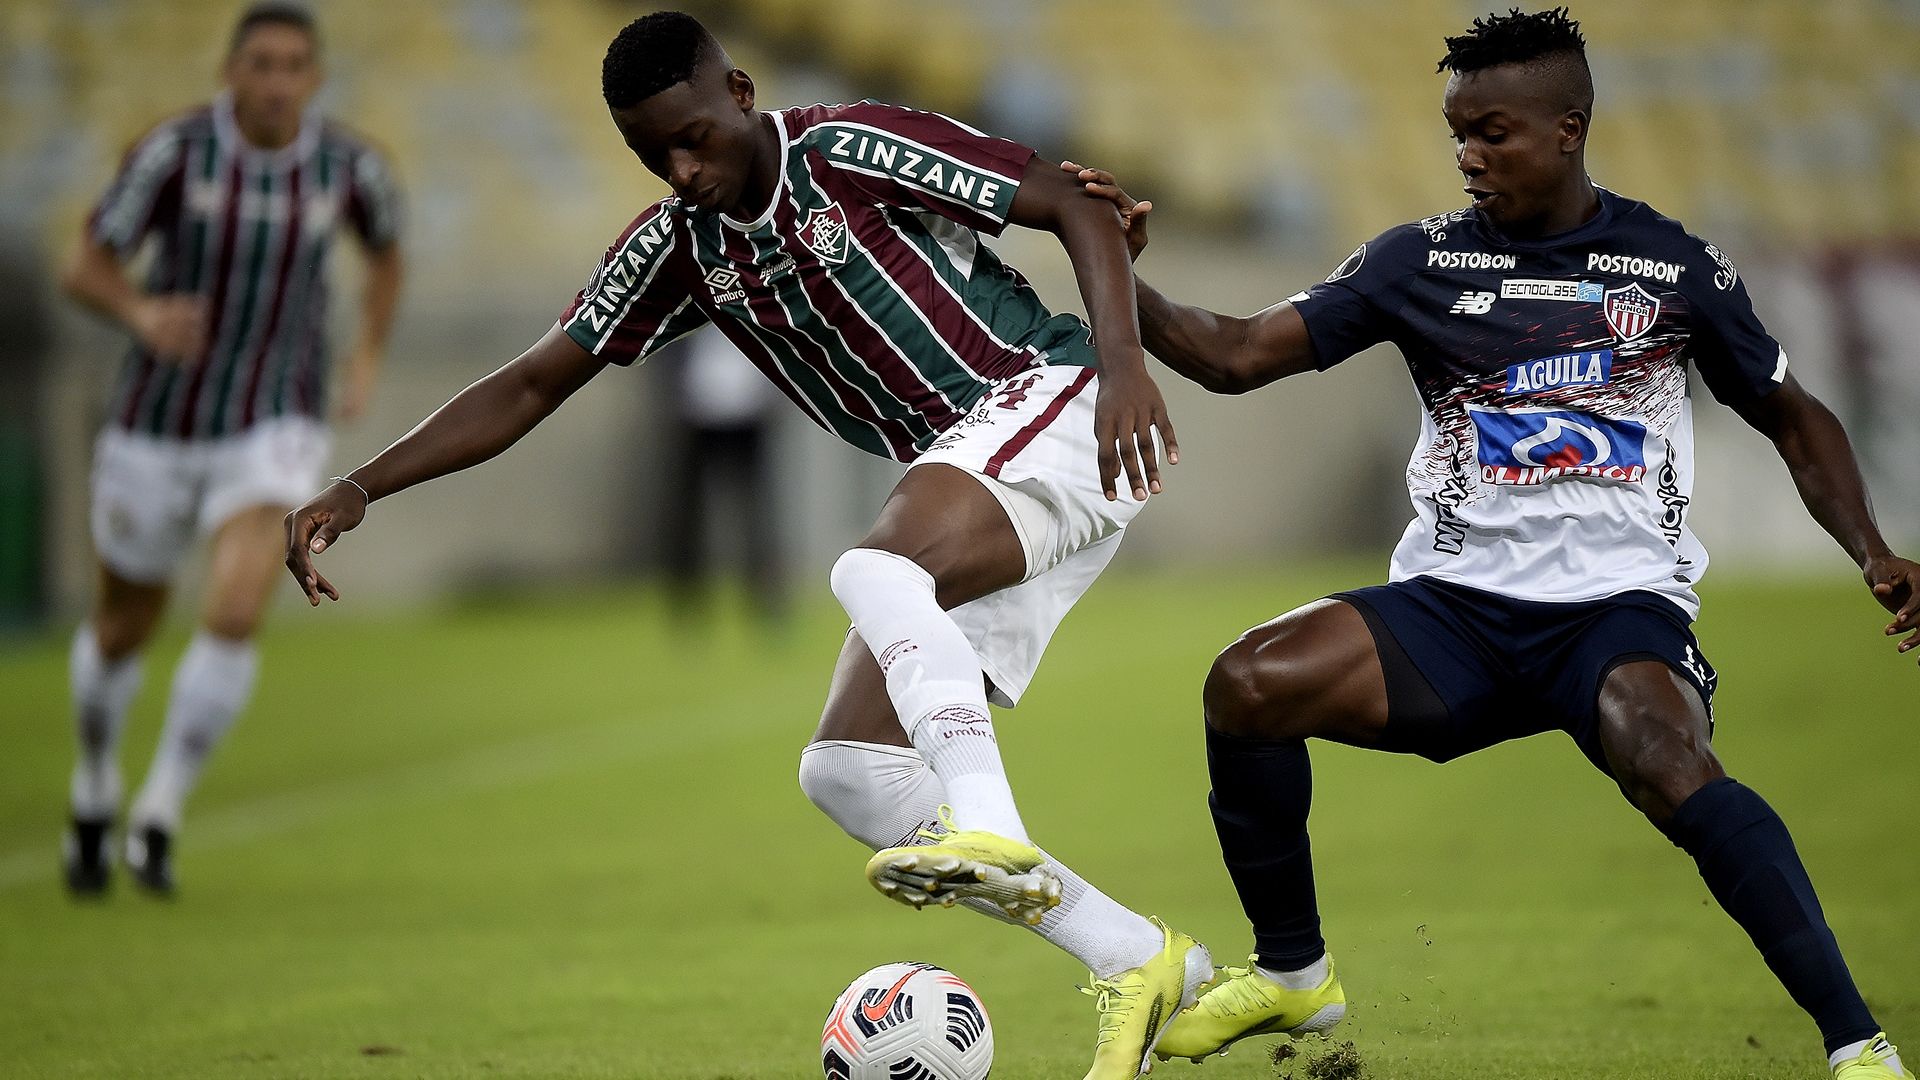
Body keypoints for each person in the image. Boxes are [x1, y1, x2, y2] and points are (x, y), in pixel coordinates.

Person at [283, 13, 1203, 1078]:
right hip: (983, 476)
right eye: (650, 154)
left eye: (693, 138)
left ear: (739, 92)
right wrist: (361, 486)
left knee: (875, 569)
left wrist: (1126, 364)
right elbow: (534, 380)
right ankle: (1140, 960)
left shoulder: (846, 150)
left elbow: (1070, 202)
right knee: (851, 773)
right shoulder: (678, 248)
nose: (681, 169)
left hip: (1055, 399)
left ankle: (986, 823)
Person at [1070, 8, 1917, 1078]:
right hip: (1455, 611)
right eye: (1457, 133)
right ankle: (1293, 976)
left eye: (1493, 133)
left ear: (1568, 129)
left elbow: (1794, 416)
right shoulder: (1416, 261)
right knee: (1244, 685)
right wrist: (1118, 271)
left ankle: (1859, 1045)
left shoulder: (1672, 268)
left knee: (1670, 762)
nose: (1469, 156)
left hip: (1618, 612)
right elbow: (1235, 356)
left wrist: (1872, 551)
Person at [59, 1, 403, 897]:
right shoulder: (175, 154)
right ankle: (96, 779)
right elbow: (86, 262)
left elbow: (388, 251)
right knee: (122, 625)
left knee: (240, 602)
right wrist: (137, 311)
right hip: (156, 423)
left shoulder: (348, 166)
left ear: (315, 77)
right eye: (261, 63)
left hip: (273, 419)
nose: (278, 80)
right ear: (230, 71)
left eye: (294, 64)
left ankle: (160, 814)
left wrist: (364, 352)